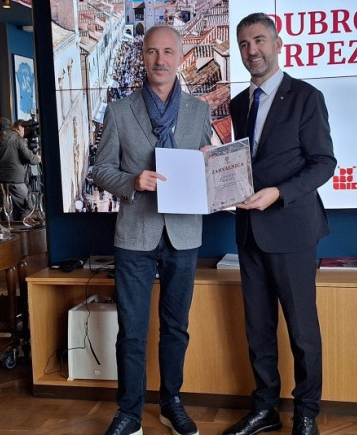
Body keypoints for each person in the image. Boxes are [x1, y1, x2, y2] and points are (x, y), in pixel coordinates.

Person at [92, 25, 212, 435]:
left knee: (176, 327)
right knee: (132, 330)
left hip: (184, 233)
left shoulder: (199, 111)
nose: (160, 60)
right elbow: (100, 170)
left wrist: (210, 163)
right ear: (142, 56)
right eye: (152, 52)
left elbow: (207, 168)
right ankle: (129, 412)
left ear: (180, 57)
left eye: (168, 52)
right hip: (135, 233)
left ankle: (171, 402)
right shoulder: (119, 111)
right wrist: (132, 181)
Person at [223, 13, 336, 435]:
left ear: (277, 44)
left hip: (292, 230)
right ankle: (265, 409)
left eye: (259, 40)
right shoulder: (238, 104)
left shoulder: (306, 97)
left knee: (302, 331)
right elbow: (241, 164)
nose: (252, 50)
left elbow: (323, 162)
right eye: (244, 44)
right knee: (258, 329)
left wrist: (279, 193)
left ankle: (306, 413)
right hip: (248, 230)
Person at [0, 117, 40, 221]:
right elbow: (31, 159)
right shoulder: (17, 139)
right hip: (17, 183)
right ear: (9, 126)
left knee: (5, 215)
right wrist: (38, 158)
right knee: (26, 212)